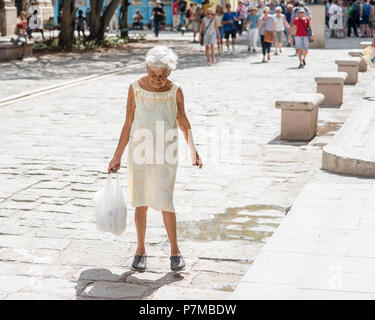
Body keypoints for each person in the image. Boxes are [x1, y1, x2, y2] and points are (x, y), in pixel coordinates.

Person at [107, 46, 202, 272]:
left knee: (165, 200)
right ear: (146, 68)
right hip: (139, 152)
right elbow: (128, 123)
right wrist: (117, 155)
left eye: (163, 75)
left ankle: (175, 251)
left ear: (169, 72)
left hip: (166, 153)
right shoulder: (135, 88)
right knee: (140, 201)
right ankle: (140, 250)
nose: (158, 80)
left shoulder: (175, 90)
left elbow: (183, 121)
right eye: (153, 74)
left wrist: (193, 149)